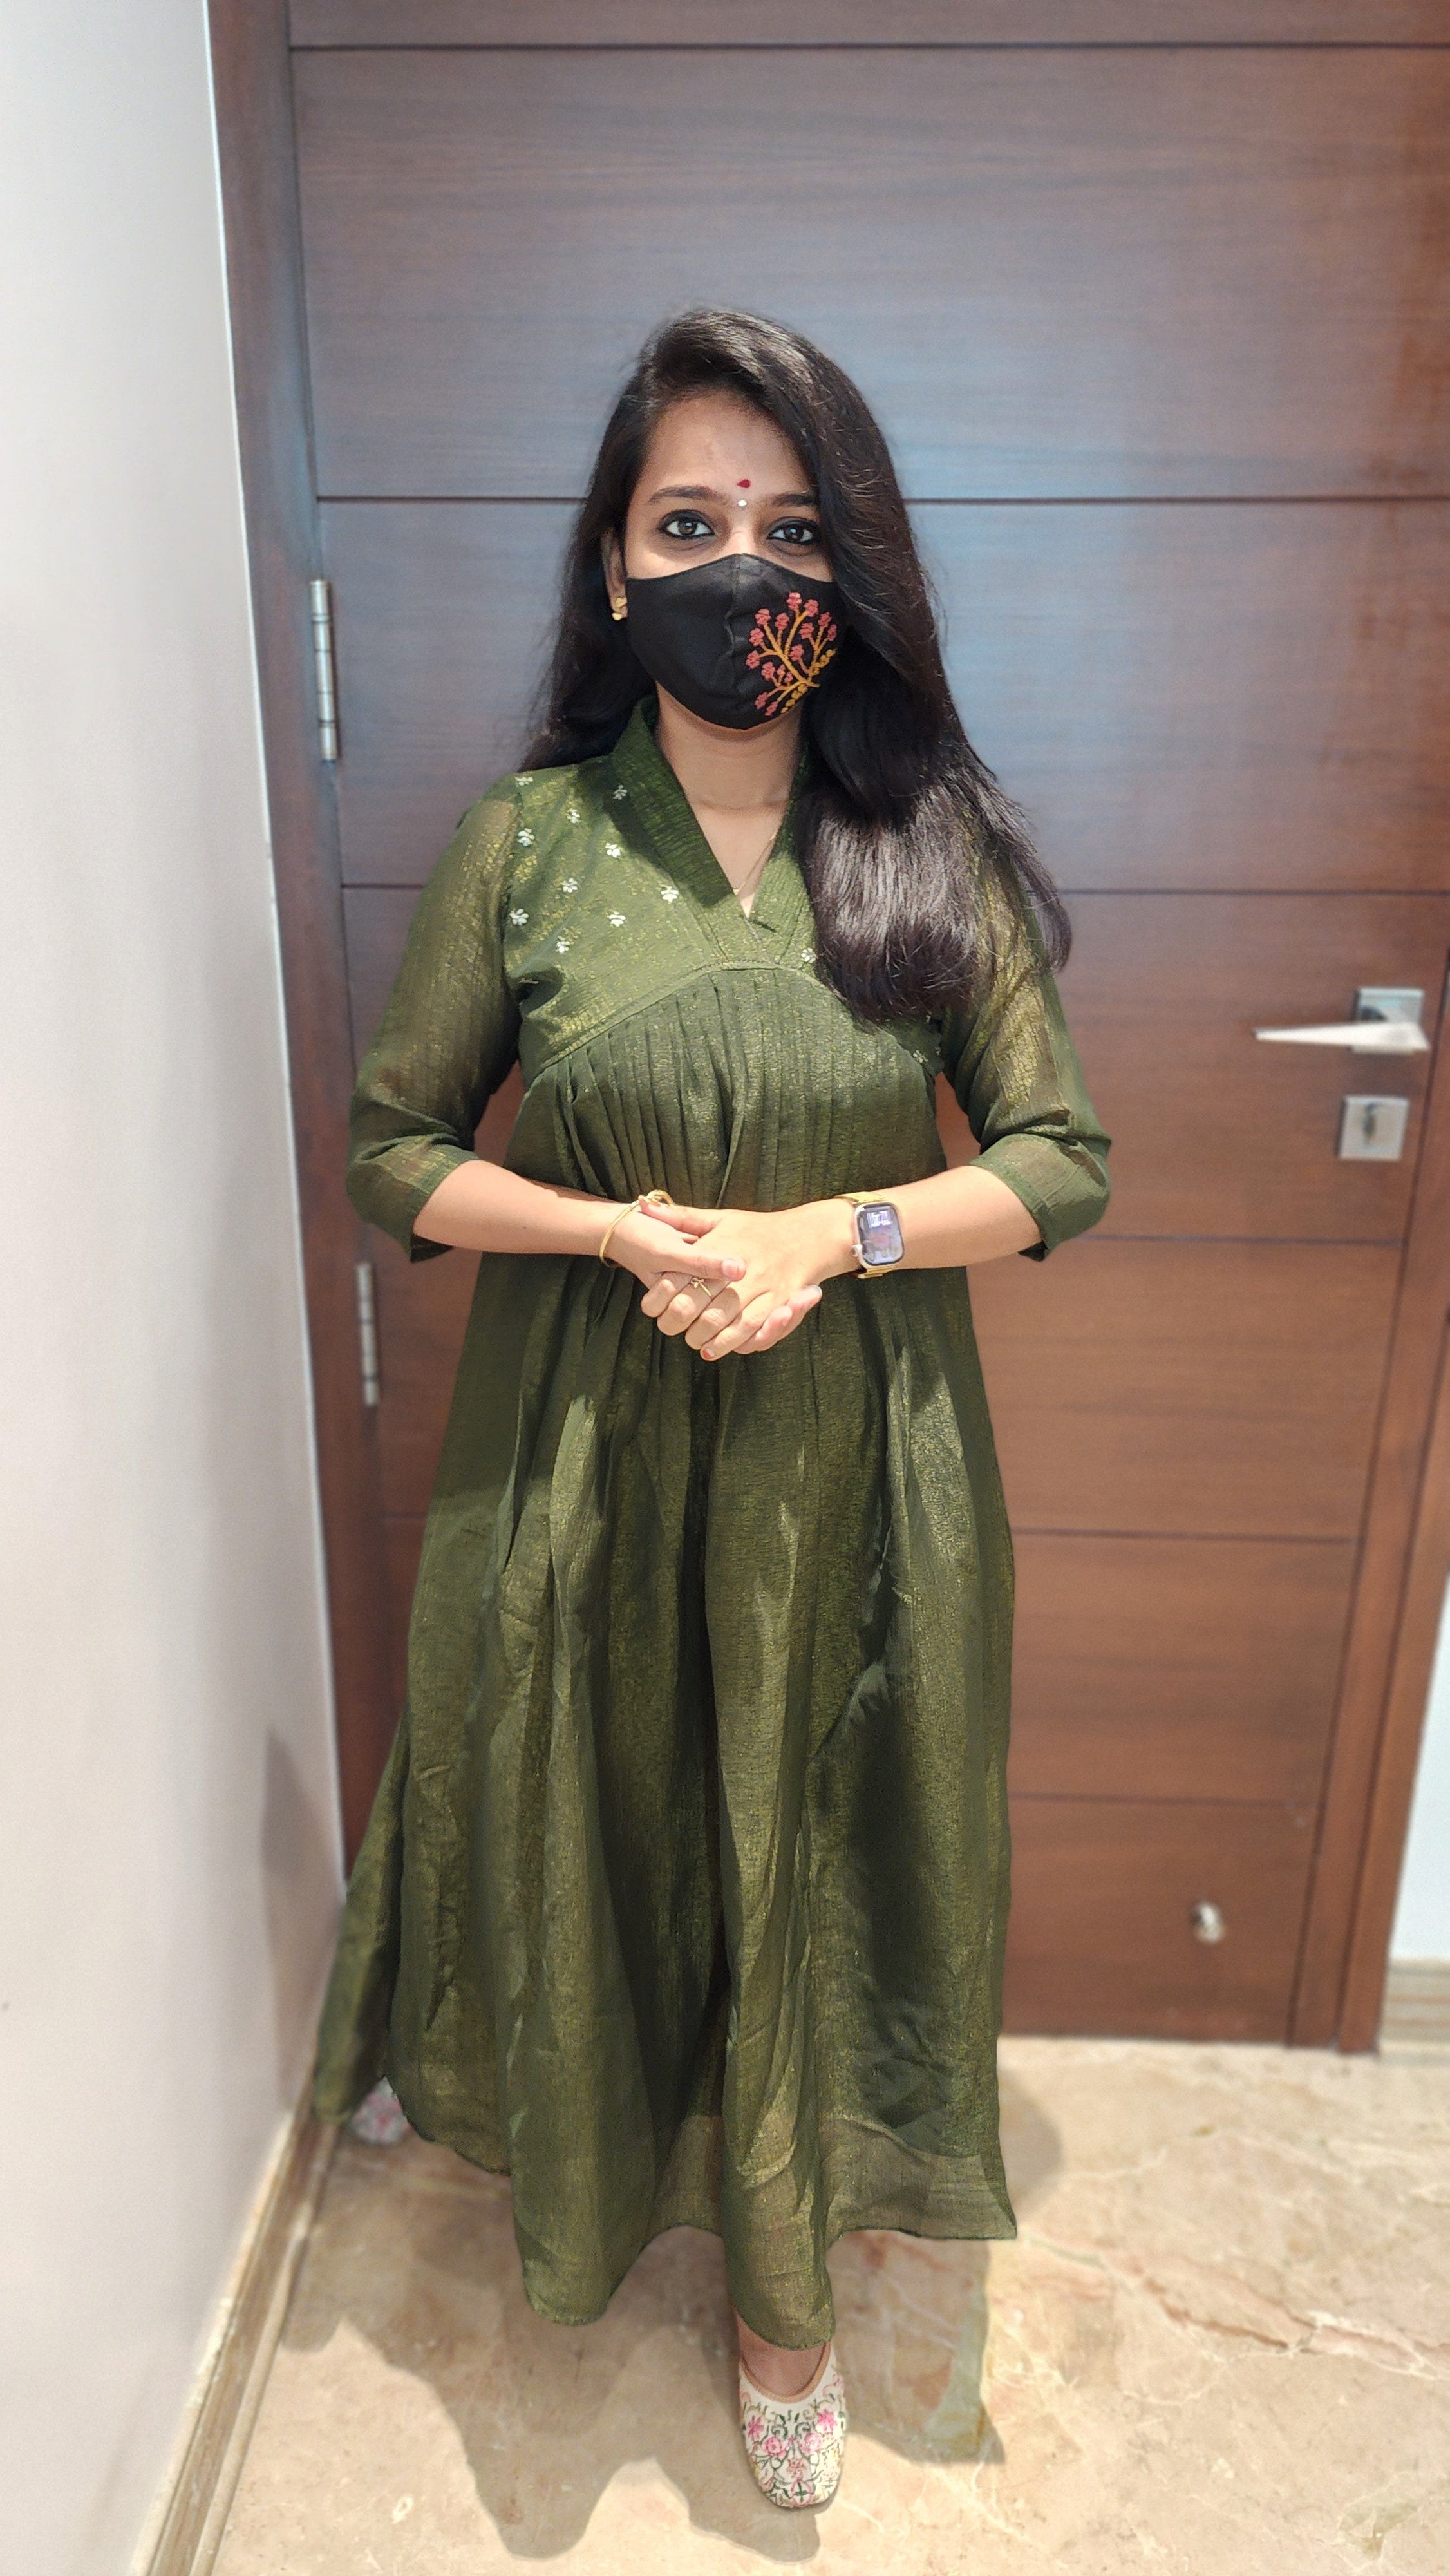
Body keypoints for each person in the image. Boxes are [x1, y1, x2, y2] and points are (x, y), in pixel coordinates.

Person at [313, 307, 1110, 2513]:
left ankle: (784, 2309)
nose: (738, 569)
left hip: (857, 1472)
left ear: (850, 570)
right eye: (687, 524)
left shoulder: (921, 843)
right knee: (596, 1816)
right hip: (581, 1453)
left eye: (789, 528)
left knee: (816, 1848)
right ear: (611, 566)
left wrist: (827, 1237)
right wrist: (613, 1232)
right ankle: (556, 2142)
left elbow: (1059, 1161)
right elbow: (393, 1151)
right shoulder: (527, 841)